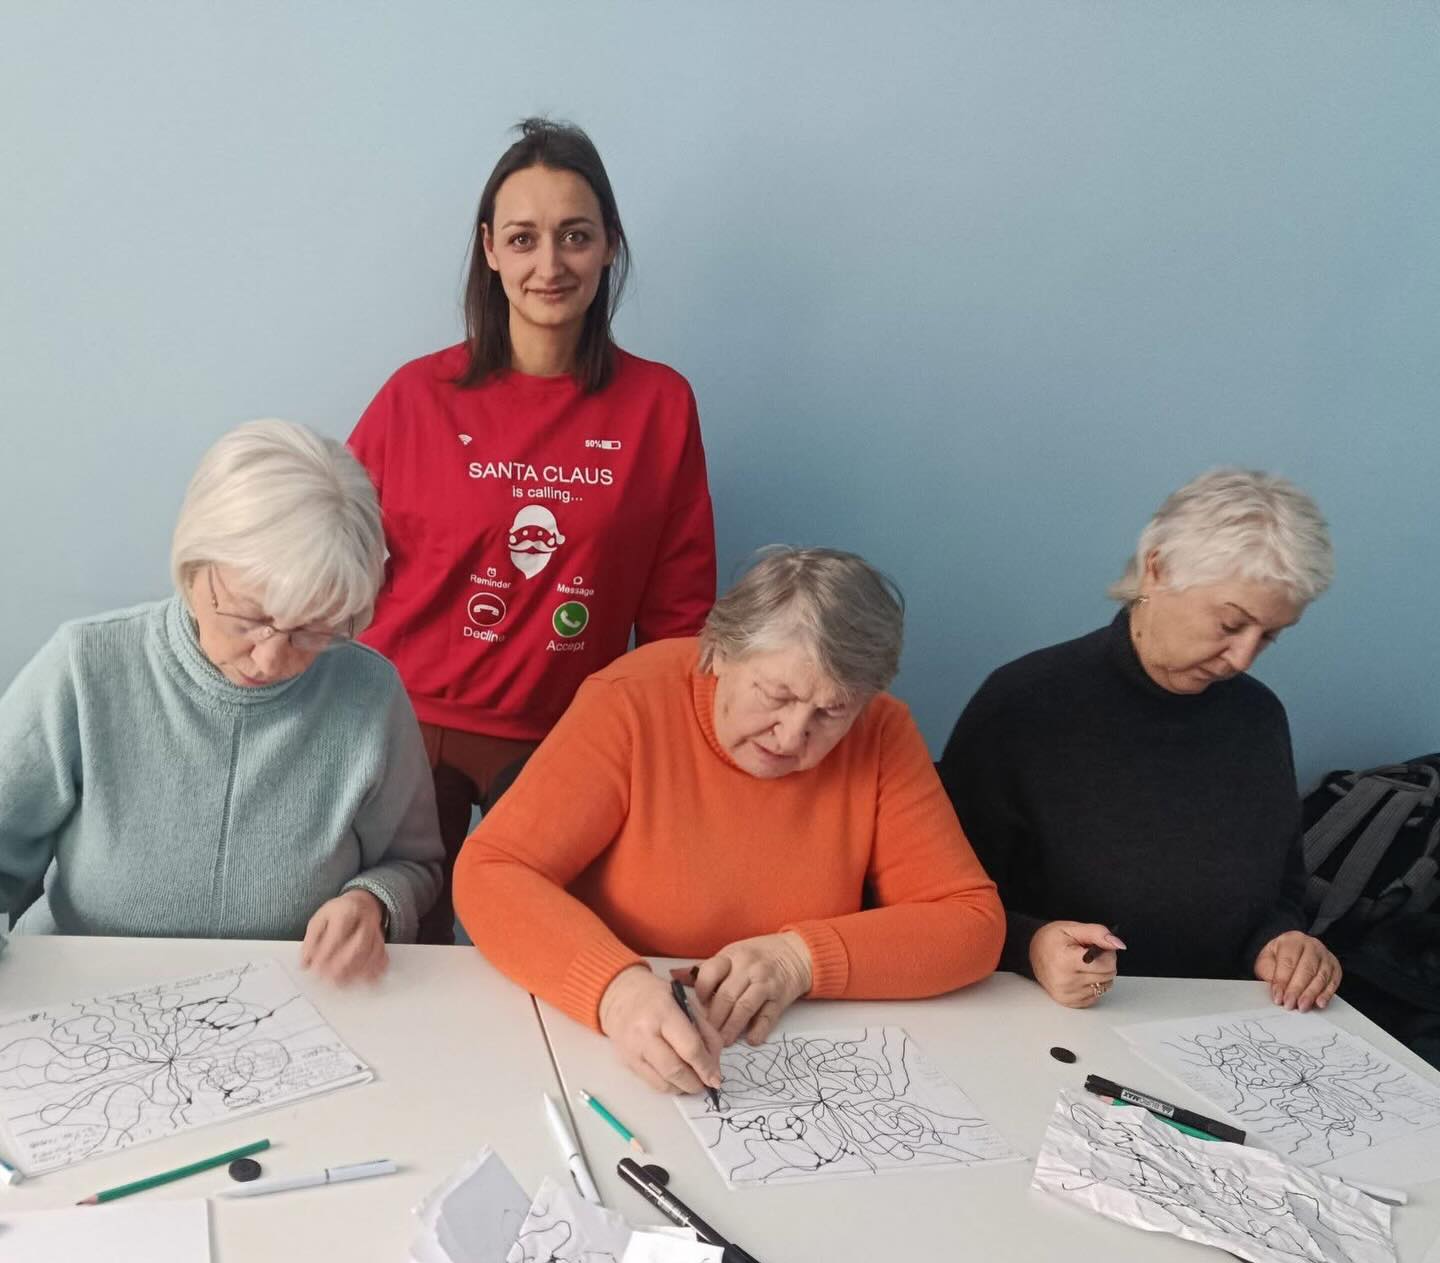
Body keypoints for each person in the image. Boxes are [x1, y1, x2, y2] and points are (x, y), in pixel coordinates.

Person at [350, 117, 716, 942]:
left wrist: (674, 758)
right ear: (490, 250)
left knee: (548, 957)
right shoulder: (416, 396)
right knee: (401, 960)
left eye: (574, 236)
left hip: (569, 734)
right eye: (523, 238)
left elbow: (680, 612)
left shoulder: (660, 405)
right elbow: (331, 556)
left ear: (610, 245)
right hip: (410, 728)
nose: (549, 265)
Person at [455, 547, 1004, 1094]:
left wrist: (799, 960)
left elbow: (971, 924)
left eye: (831, 711)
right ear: (717, 652)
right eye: (776, 695)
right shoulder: (631, 701)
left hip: (789, 1049)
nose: (792, 735)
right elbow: (491, 871)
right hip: (618, 1042)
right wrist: (616, 991)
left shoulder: (881, 731)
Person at [0, 420, 443, 982]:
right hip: (80, 992)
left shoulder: (369, 695)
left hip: (289, 1001)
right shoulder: (85, 668)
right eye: (249, 619)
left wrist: (372, 901)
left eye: (312, 631)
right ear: (194, 570)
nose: (271, 659)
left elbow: (414, 863)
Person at [938, 468, 1341, 1012]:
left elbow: (1280, 891)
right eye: (1230, 625)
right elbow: (942, 903)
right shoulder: (1024, 705)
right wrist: (1031, 947)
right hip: (1054, 1017)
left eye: (1269, 636)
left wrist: (1282, 942)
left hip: (1218, 1021)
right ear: (1157, 569)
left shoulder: (1258, 716)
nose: (1243, 658)